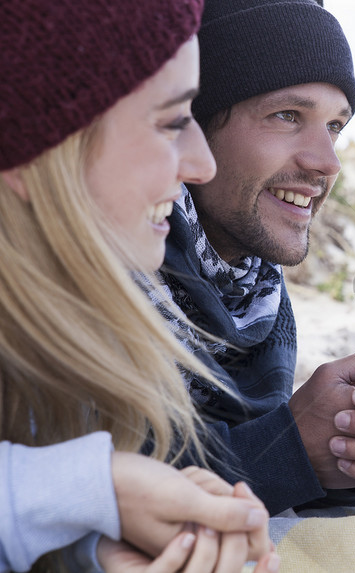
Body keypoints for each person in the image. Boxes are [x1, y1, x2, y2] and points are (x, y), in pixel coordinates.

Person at [0, 0, 277, 571]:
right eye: (173, 121)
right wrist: (90, 487)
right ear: (34, 152)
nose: (202, 164)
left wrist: (95, 547)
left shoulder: (68, 323)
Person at [158, 0, 355, 515]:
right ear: (195, 123)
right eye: (287, 116)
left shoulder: (255, 289)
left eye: (334, 126)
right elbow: (85, 484)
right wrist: (286, 450)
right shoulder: (109, 263)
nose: (326, 162)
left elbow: (234, 447)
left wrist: (345, 452)